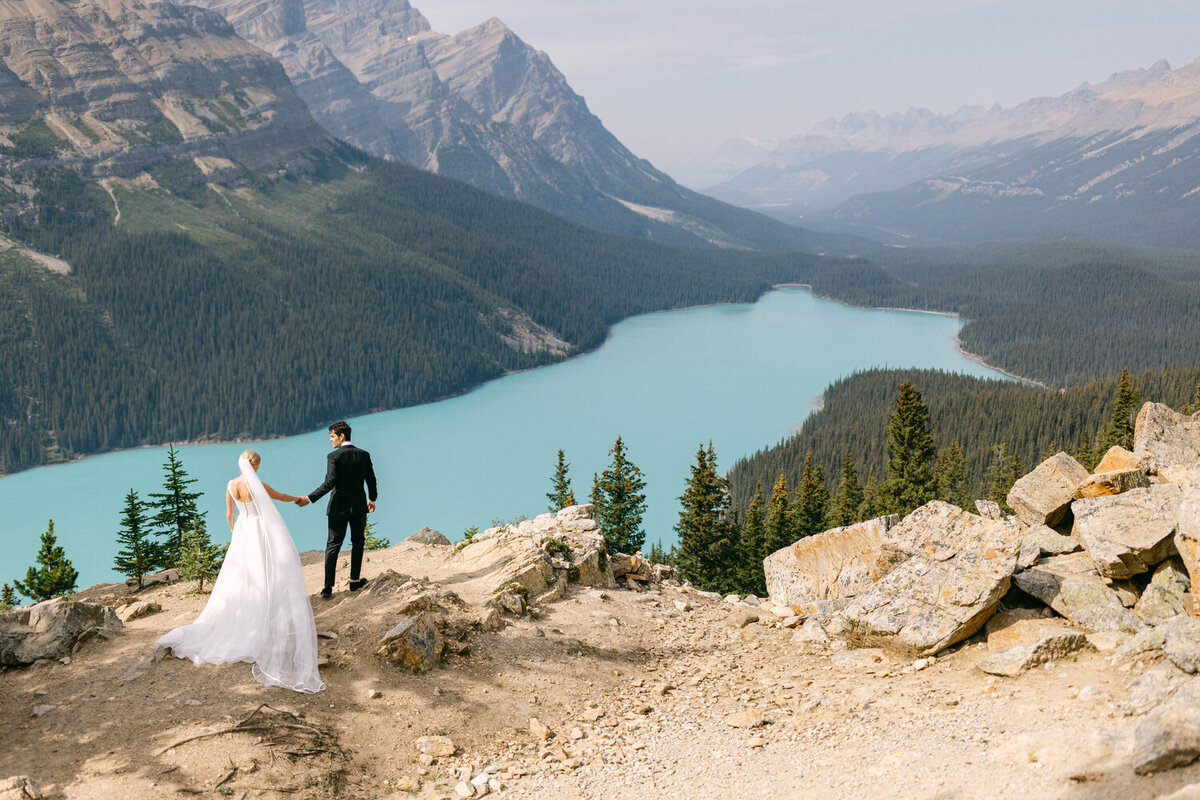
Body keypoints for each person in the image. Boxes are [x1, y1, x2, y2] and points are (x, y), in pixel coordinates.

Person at [156, 450, 324, 694]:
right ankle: (264, 613)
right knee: (263, 572)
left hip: (243, 533)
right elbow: (281, 497)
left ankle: (245, 610)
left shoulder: (231, 485)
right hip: (260, 533)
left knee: (242, 576)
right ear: (254, 466)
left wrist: (237, 535)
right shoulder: (259, 486)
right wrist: (298, 498)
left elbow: (228, 514)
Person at [299, 420, 377, 598]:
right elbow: (371, 479)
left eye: (332, 436)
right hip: (358, 506)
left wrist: (309, 499)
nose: (330, 440)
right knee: (358, 542)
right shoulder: (363, 454)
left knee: (333, 545)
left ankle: (328, 587)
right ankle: (354, 582)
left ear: (341, 436)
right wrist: (372, 499)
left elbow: (329, 483)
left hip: (337, 508)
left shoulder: (333, 457)